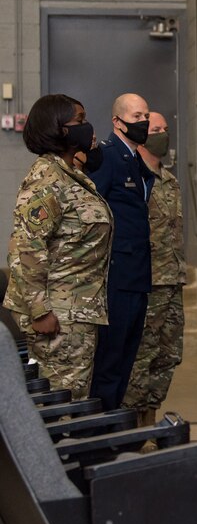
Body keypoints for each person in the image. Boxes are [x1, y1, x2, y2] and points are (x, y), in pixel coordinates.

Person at [3, 94, 112, 399]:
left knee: (71, 397)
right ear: (58, 129)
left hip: (76, 311)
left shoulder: (71, 176)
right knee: (63, 401)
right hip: (58, 315)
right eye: (79, 120)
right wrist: (40, 312)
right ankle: (57, 448)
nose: (86, 125)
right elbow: (26, 249)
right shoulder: (47, 179)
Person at [88, 92, 156, 410]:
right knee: (111, 360)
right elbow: (91, 211)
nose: (143, 122)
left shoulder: (135, 158)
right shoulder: (107, 156)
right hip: (117, 275)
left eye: (145, 116)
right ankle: (100, 434)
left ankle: (113, 424)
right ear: (117, 121)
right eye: (136, 117)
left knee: (127, 357)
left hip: (137, 274)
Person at [122, 112, 185, 426]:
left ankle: (151, 419)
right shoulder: (132, 178)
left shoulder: (170, 181)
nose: (163, 134)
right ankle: (135, 428)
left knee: (168, 355)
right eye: (156, 129)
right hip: (146, 283)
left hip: (172, 281)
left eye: (166, 129)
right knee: (140, 358)